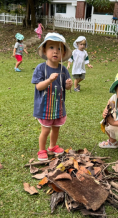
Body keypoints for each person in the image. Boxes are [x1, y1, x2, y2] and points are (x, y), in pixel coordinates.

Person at [31, 33, 73, 161]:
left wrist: (68, 85)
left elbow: (66, 87)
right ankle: (41, 150)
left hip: (58, 106)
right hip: (45, 107)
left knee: (56, 128)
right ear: (44, 50)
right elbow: (38, 87)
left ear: (63, 53)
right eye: (51, 47)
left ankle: (52, 146)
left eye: (59, 49)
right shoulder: (41, 68)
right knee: (45, 130)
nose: (55, 51)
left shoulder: (63, 69)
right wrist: (49, 80)